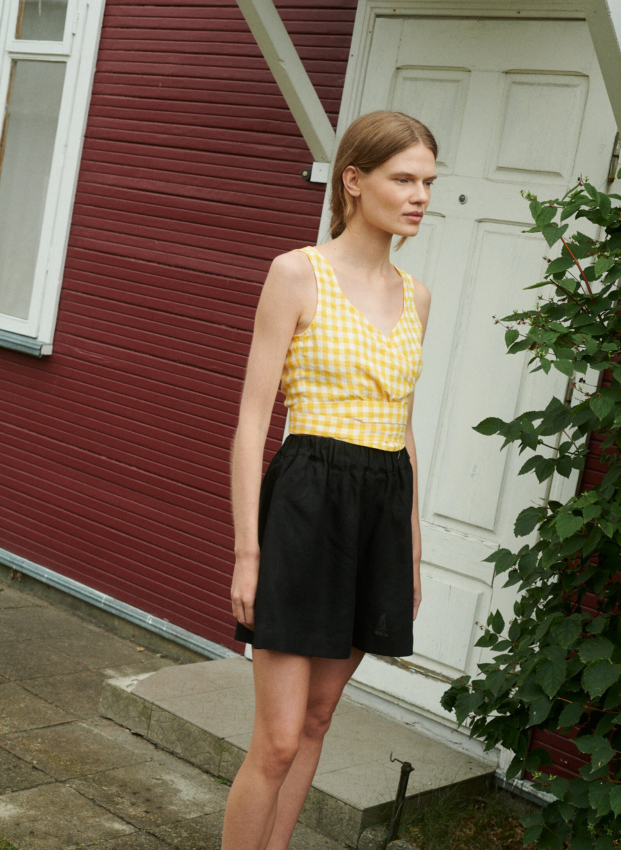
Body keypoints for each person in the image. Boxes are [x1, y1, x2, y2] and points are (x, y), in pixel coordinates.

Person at [222, 110, 437, 850]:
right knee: (277, 738)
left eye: (428, 182)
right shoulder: (296, 273)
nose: (419, 196)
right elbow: (253, 423)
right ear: (353, 181)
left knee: (317, 720)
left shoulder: (419, 296)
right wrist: (248, 553)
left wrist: (410, 547)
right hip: (307, 502)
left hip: (379, 506)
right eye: (402, 179)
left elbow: (403, 427)